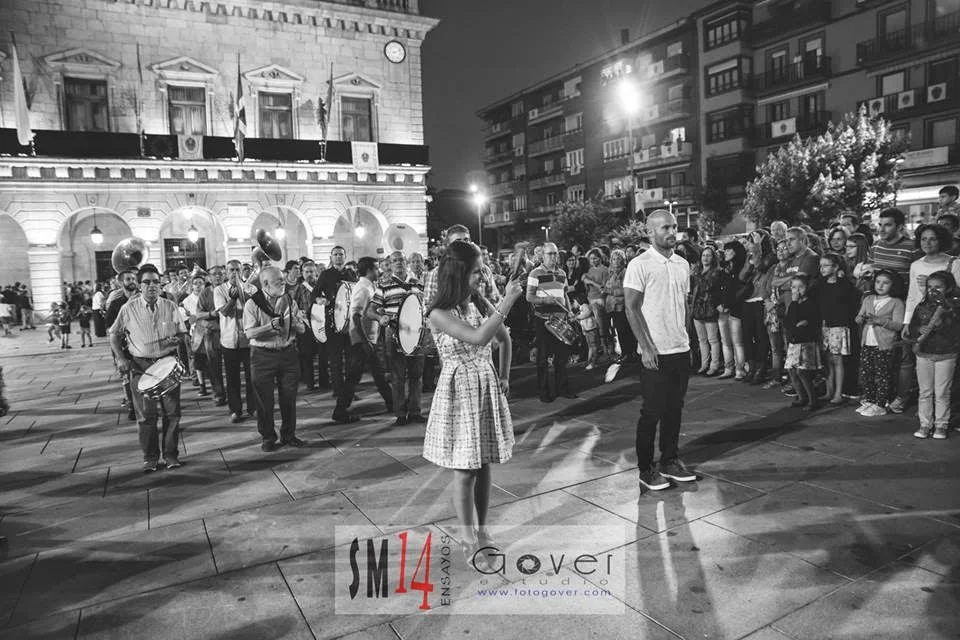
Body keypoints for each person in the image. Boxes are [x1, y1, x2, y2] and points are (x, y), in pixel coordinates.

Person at [423, 240, 522, 564]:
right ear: (458, 272)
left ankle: (483, 531)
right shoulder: (438, 313)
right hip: (459, 392)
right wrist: (507, 300)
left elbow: (504, 338)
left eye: (483, 270)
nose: (483, 276)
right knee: (465, 470)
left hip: (485, 385)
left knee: (484, 463)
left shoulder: (478, 301)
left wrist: (504, 376)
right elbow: (479, 337)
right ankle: (468, 538)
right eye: (477, 271)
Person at [623, 209, 698, 491]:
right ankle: (646, 469)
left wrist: (686, 337)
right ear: (650, 232)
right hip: (655, 351)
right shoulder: (639, 264)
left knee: (674, 409)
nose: (672, 232)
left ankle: (670, 460)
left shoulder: (682, 264)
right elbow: (631, 308)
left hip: (680, 348)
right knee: (652, 411)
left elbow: (684, 303)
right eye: (665, 227)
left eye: (674, 227)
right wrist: (646, 348)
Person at [110, 264, 188, 472]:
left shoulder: (170, 306)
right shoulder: (128, 308)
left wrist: (178, 339)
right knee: (146, 416)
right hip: (140, 366)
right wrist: (120, 358)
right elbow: (114, 334)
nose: (152, 286)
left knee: (172, 413)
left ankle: (171, 455)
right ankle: (150, 457)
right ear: (139, 285)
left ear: (160, 284)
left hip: (167, 364)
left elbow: (182, 332)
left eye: (155, 281)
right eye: (147, 282)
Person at [243, 266, 307, 451]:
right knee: (264, 400)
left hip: (288, 353)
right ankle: (268, 437)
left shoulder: (289, 300)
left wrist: (294, 324)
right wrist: (269, 327)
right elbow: (249, 333)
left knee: (289, 397)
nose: (283, 283)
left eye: (283, 280)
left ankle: (289, 435)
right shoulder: (252, 304)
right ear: (265, 284)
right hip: (262, 356)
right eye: (279, 281)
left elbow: (302, 329)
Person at [367, 251, 425, 426]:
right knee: (398, 376)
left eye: (401, 260)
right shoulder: (384, 286)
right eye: (394, 261)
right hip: (393, 334)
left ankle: (415, 411)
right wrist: (380, 318)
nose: (398, 263)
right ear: (390, 265)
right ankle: (400, 413)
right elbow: (370, 311)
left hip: (417, 334)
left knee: (416, 375)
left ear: (406, 262)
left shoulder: (418, 284)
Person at [334, 257, 393, 423]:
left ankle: (391, 402)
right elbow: (355, 315)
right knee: (355, 376)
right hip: (362, 339)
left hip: (367, 338)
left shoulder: (368, 286)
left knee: (377, 373)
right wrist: (365, 341)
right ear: (369, 270)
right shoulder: (363, 288)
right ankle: (340, 410)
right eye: (376, 268)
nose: (379, 271)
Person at [906, 270, 960, 440]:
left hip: (946, 353)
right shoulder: (922, 306)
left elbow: (956, 332)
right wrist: (918, 329)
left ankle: (941, 424)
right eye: (930, 287)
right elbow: (913, 326)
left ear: (948, 288)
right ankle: (925, 424)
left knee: (942, 392)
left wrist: (944, 324)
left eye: (938, 287)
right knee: (925, 391)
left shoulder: (954, 308)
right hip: (924, 352)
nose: (933, 290)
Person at [527, 242, 576, 402]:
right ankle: (544, 392)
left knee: (561, 357)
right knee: (542, 358)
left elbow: (565, 294)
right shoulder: (535, 273)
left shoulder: (562, 273)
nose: (553, 257)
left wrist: (569, 311)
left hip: (560, 319)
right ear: (543, 255)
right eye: (550, 253)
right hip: (543, 319)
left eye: (555, 253)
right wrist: (545, 300)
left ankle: (562, 389)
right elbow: (529, 297)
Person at [855, 270, 904, 417]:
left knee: (883, 375)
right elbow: (859, 315)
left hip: (884, 345)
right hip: (867, 343)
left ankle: (881, 404)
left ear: (893, 285)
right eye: (878, 282)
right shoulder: (868, 299)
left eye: (885, 283)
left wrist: (879, 320)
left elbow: (898, 325)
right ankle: (869, 400)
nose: (880, 285)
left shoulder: (896, 302)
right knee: (866, 374)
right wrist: (859, 319)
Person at [215, 260, 258, 424]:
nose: (234, 273)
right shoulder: (219, 290)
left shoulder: (251, 288)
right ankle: (235, 410)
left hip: (248, 340)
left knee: (252, 377)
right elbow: (225, 312)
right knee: (232, 378)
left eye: (237, 270)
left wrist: (244, 294)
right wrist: (232, 299)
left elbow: (256, 309)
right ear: (226, 273)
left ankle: (253, 407)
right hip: (229, 341)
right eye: (231, 270)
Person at [817, 253, 860, 405]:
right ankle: (829, 390)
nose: (822, 268)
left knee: (837, 360)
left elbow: (852, 300)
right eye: (821, 265)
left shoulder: (844, 284)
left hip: (839, 326)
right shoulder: (821, 284)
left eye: (826, 265)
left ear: (836, 267)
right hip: (825, 327)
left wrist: (842, 279)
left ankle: (838, 393)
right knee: (827, 360)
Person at [315, 246, 356, 402]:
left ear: (345, 256)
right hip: (333, 321)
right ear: (331, 257)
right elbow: (315, 293)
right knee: (335, 359)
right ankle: (338, 390)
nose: (338, 257)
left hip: (349, 322)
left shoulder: (350, 274)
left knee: (351, 360)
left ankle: (349, 390)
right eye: (336, 254)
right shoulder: (326, 274)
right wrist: (320, 299)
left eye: (341, 254)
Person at [784, 275, 821, 412]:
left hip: (806, 342)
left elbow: (810, 322)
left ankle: (812, 400)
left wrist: (802, 323)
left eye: (801, 287)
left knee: (803, 372)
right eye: (794, 287)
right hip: (794, 342)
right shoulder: (793, 304)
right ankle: (801, 397)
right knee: (792, 371)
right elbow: (789, 322)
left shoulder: (810, 304)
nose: (797, 290)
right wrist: (794, 303)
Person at [691, 245, 723, 376]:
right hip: (698, 309)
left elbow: (710, 288)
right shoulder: (697, 272)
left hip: (710, 308)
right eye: (704, 255)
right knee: (702, 340)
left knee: (713, 339)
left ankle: (714, 365)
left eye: (708, 255)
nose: (705, 258)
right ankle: (704, 364)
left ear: (713, 257)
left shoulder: (716, 272)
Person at [718, 241, 748, 379]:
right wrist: (718, 304)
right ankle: (728, 368)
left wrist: (730, 303)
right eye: (725, 250)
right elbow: (717, 289)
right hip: (722, 310)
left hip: (736, 309)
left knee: (737, 342)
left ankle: (740, 369)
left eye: (729, 250)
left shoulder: (741, 269)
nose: (726, 253)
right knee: (725, 341)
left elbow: (742, 290)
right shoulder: (724, 269)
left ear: (736, 252)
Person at [574, 297, 600, 370]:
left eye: (574, 301)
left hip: (591, 328)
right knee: (590, 346)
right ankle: (590, 361)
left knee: (593, 346)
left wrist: (577, 317)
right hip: (587, 329)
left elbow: (587, 313)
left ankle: (593, 362)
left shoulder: (585, 305)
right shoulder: (581, 308)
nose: (573, 304)